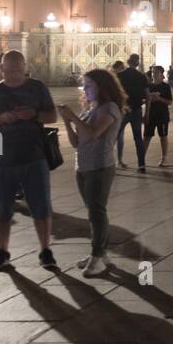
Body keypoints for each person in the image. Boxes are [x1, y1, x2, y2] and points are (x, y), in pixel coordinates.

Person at [0, 50, 58, 271]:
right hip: (0, 152)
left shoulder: (37, 87)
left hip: (34, 154)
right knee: (0, 207)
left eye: (19, 70)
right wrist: (1, 118)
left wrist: (33, 114)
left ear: (25, 67)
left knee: (41, 205)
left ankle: (45, 249)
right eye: (10, 70)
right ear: (1, 68)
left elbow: (52, 116)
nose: (14, 75)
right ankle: (2, 250)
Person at [57, 68, 124, 276]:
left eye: (88, 85)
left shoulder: (109, 108)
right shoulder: (90, 108)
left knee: (97, 212)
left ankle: (97, 256)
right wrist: (67, 122)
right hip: (83, 165)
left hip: (100, 166)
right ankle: (100, 254)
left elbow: (94, 133)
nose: (84, 89)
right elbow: (77, 142)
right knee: (93, 212)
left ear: (102, 87)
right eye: (83, 85)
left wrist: (73, 118)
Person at [115, 54, 149, 172]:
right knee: (138, 138)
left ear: (128, 62)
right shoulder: (142, 76)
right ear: (138, 63)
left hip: (124, 111)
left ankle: (109, 163)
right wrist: (147, 114)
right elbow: (148, 96)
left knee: (113, 137)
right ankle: (141, 165)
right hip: (137, 111)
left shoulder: (120, 76)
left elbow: (115, 94)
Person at [143, 65, 173, 166]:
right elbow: (144, 100)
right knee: (147, 136)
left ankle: (164, 158)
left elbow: (169, 101)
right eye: (152, 72)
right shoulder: (149, 87)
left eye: (156, 72)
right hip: (150, 114)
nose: (153, 74)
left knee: (163, 136)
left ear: (161, 74)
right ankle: (141, 158)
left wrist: (159, 99)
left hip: (162, 115)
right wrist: (148, 99)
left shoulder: (165, 87)